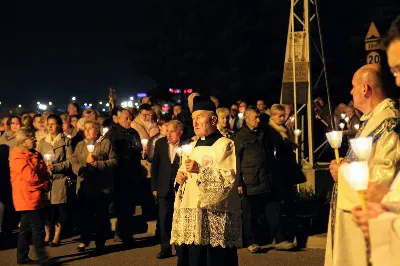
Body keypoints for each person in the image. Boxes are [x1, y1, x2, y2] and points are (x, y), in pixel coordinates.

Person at [325, 64, 400, 266]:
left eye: (353, 86)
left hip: (370, 222)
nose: (350, 92)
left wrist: (344, 171)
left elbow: (386, 177)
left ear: (365, 88)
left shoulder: (389, 123)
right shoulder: (372, 119)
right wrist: (345, 165)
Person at [350, 16, 400, 266]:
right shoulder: (373, 118)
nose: (398, 81)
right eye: (394, 72)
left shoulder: (389, 120)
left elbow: (385, 170)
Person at [171, 96, 241, 266]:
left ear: (213, 119)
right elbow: (183, 174)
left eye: (199, 118)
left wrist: (200, 170)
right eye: (193, 118)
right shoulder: (192, 146)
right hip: (192, 214)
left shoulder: (225, 144)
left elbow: (228, 180)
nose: (194, 123)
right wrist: (179, 179)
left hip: (213, 214)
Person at [71, 121, 117, 253]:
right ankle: (84, 239)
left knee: (101, 215)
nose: (88, 131)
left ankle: (100, 241)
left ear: (97, 130)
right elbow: (73, 160)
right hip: (85, 186)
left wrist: (99, 164)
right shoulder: (80, 145)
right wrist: (80, 169)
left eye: (91, 128)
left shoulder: (105, 143)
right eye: (85, 129)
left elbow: (114, 160)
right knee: (85, 214)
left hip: (101, 186)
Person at [9, 128, 53, 265]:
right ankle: (43, 257)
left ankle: (22, 257)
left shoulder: (35, 154)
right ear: (23, 140)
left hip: (35, 195)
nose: (34, 139)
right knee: (38, 227)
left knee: (25, 229)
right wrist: (45, 183)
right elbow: (31, 177)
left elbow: (44, 171)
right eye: (31, 138)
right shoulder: (17, 156)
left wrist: (45, 178)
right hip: (26, 197)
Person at [234, 107, 271, 253]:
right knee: (248, 213)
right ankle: (250, 241)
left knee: (258, 211)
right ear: (246, 119)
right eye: (255, 117)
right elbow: (235, 160)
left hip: (262, 178)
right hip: (248, 179)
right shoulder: (241, 136)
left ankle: (260, 237)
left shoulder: (263, 132)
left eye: (259, 117)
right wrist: (238, 183)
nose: (258, 120)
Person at [151, 120, 187, 259]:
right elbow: (155, 166)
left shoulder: (187, 144)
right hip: (163, 187)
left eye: (172, 131)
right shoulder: (160, 144)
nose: (168, 135)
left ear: (180, 132)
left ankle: (180, 249)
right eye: (167, 131)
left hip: (180, 188)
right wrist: (154, 187)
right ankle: (165, 248)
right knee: (164, 219)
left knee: (179, 219)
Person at [106, 109, 142, 244]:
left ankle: (126, 232)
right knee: (121, 205)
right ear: (118, 119)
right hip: (119, 174)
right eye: (126, 118)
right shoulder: (112, 134)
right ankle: (122, 233)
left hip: (132, 173)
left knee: (130, 205)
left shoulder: (134, 133)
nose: (129, 121)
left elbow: (137, 150)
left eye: (130, 118)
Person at [36, 114, 73, 247]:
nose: (50, 126)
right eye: (48, 123)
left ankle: (57, 236)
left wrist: (56, 167)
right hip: (46, 182)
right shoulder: (42, 142)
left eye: (53, 124)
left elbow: (70, 161)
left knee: (60, 210)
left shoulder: (66, 141)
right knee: (46, 210)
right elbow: (37, 159)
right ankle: (47, 234)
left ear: (58, 125)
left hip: (59, 180)